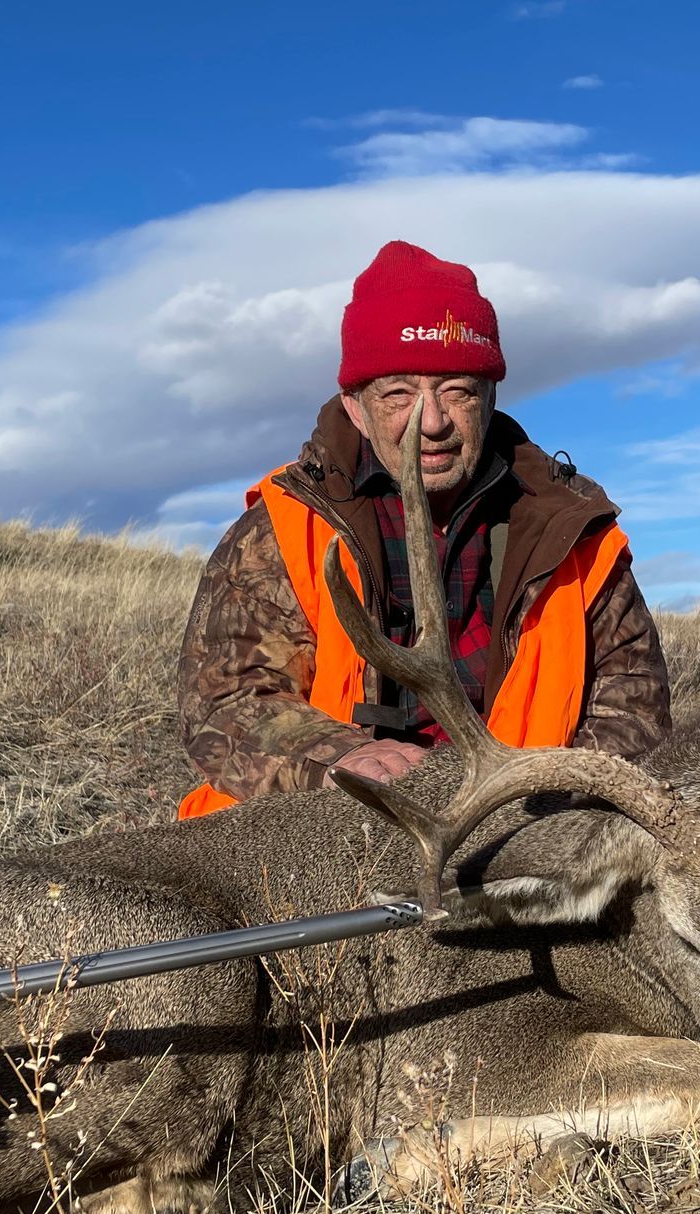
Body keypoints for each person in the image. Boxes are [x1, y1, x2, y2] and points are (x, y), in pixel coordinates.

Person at [175, 240, 670, 818]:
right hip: (333, 819)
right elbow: (224, 701)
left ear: (489, 397)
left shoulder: (572, 530)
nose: (431, 422)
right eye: (399, 394)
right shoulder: (287, 529)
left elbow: (635, 708)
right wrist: (341, 758)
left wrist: (535, 804)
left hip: (521, 826)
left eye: (457, 390)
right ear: (356, 407)